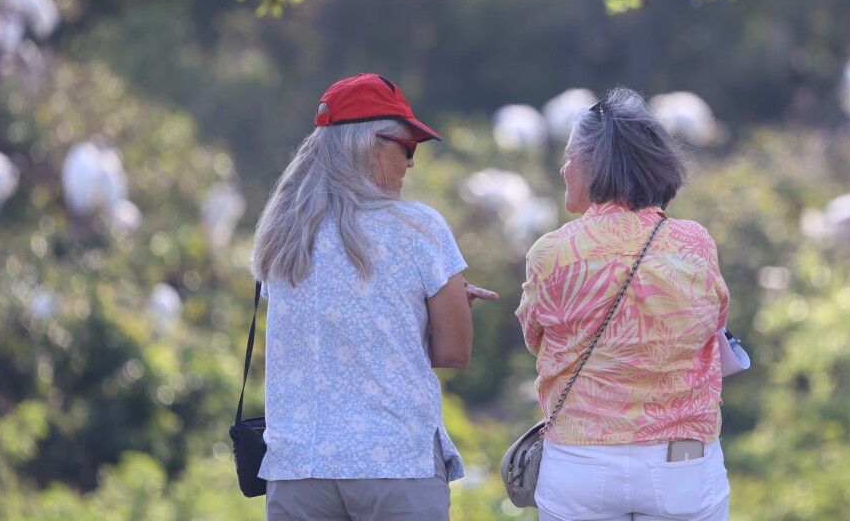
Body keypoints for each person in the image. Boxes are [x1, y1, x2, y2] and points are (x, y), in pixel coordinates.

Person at [250, 73, 497, 521]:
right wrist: (451, 308)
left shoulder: (282, 237)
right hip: (395, 463)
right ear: (371, 145)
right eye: (408, 147)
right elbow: (453, 353)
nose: (411, 163)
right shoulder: (419, 228)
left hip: (297, 468)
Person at [516, 88, 731, 521]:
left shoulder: (552, 253)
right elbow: (715, 323)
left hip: (580, 462)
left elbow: (535, 339)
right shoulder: (693, 244)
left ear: (593, 166)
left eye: (570, 157)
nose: (563, 169)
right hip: (681, 461)